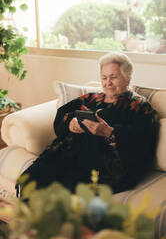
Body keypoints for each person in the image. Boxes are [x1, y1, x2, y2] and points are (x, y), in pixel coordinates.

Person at [16, 52, 157, 197]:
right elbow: (62, 115)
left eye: (113, 77)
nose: (108, 83)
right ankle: (28, 217)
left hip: (105, 168)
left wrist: (110, 132)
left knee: (61, 185)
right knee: (33, 178)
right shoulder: (91, 98)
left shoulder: (138, 105)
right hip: (71, 156)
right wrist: (71, 122)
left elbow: (143, 140)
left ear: (127, 79)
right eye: (104, 77)